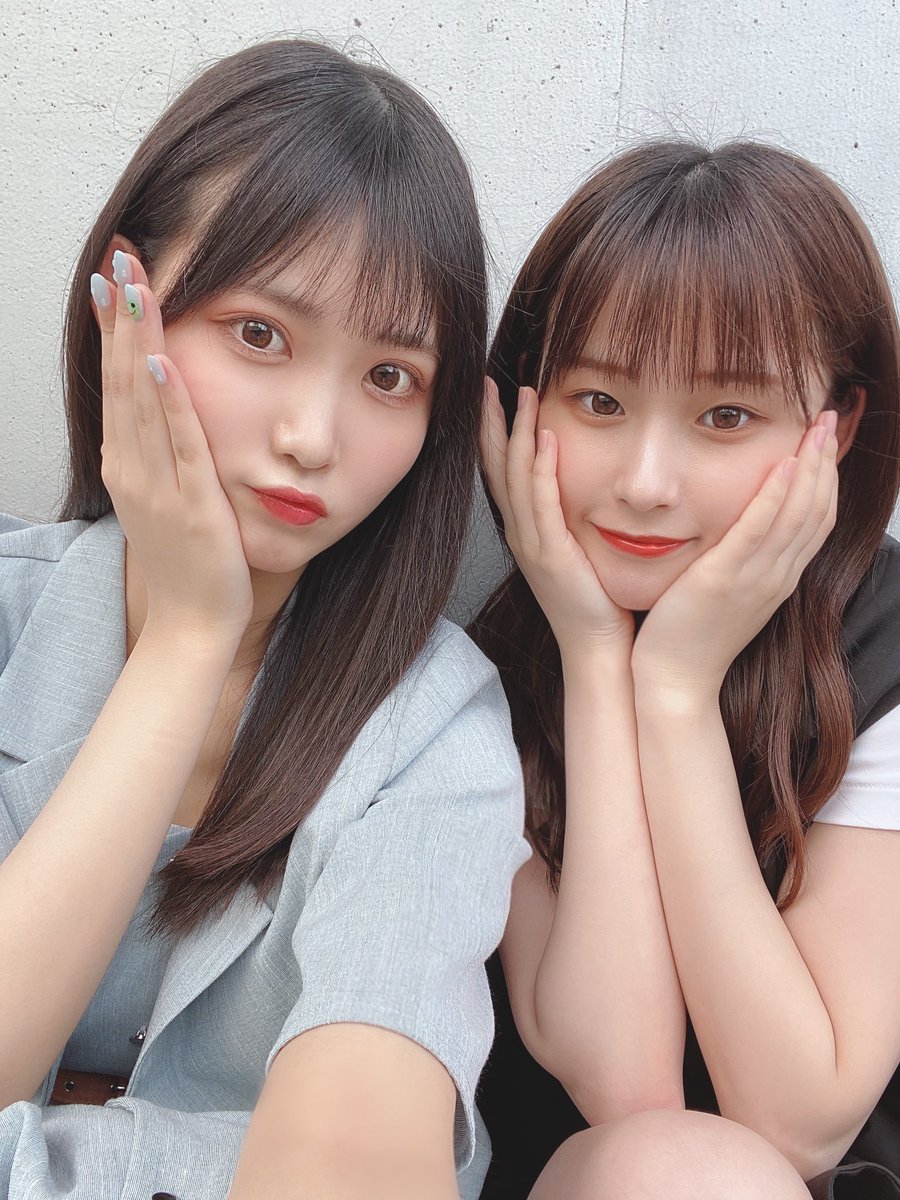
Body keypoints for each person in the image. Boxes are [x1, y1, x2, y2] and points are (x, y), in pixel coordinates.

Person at [0, 38, 528, 1200]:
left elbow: (364, 1171)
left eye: (390, 377)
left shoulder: (433, 730)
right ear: (126, 301)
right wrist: (189, 640)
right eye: (260, 334)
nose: (312, 437)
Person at [471, 139, 900, 1200]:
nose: (647, 483)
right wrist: (592, 658)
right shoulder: (489, 668)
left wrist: (674, 693)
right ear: (524, 405)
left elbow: (799, 1122)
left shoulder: (887, 646)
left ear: (837, 426)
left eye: (725, 417)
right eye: (599, 403)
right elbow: (630, 1088)